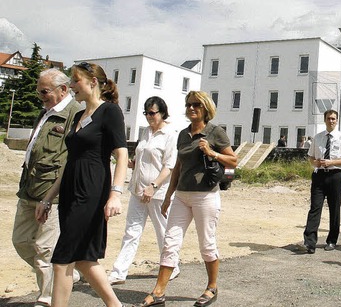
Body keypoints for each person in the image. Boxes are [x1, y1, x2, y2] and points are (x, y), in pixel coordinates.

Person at [35, 62, 128, 307]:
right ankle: (115, 306)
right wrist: (48, 197)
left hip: (91, 190)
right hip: (69, 190)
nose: (72, 86)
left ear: (92, 82)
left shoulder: (110, 111)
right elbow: (68, 161)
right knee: (84, 259)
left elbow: (121, 154)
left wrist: (115, 194)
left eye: (76, 81)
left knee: (62, 258)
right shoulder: (78, 115)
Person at [137, 91, 237, 307]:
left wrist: (212, 153)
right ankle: (159, 292)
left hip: (206, 196)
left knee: (206, 243)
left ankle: (212, 287)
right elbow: (178, 167)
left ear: (206, 108)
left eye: (197, 105)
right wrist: (168, 195)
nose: (192, 108)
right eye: (189, 104)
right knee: (170, 242)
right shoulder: (183, 134)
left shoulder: (215, 132)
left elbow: (234, 160)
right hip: (182, 195)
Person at [12, 69, 81, 306]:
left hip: (51, 191)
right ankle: (63, 273)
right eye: (38, 91)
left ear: (63, 89)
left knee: (44, 249)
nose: (40, 96)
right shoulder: (45, 112)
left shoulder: (75, 114)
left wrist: (52, 196)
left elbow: (71, 158)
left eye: (44, 91)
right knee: (20, 241)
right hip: (29, 187)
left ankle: (47, 298)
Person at [108, 96, 180, 285]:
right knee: (131, 231)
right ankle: (119, 272)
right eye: (146, 113)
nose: (149, 117)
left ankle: (172, 266)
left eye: (152, 113)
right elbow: (143, 158)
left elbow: (169, 166)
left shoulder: (170, 135)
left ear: (162, 113)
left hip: (157, 193)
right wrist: (132, 163)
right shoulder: (146, 132)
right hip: (137, 191)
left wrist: (154, 186)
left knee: (163, 232)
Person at [302, 109, 341, 253]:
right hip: (319, 176)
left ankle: (332, 240)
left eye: (334, 119)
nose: (331, 121)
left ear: (337, 121)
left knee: (334, 209)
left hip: (335, 175)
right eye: (329, 118)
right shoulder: (317, 137)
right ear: (324, 120)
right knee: (315, 208)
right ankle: (309, 242)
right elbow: (310, 156)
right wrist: (315, 162)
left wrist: (332, 162)